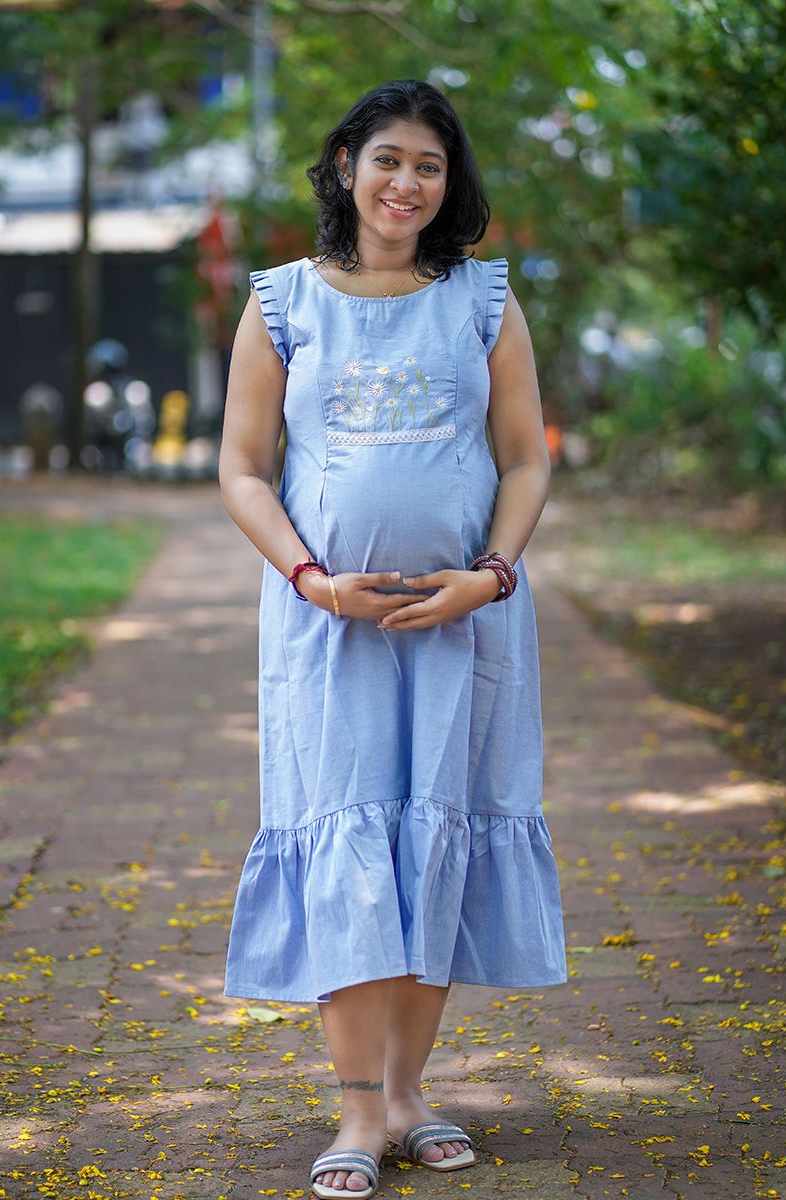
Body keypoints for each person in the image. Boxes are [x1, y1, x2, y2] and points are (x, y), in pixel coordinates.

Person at [218, 78, 568, 1200]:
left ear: (449, 184)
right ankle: (358, 1114)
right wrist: (316, 581)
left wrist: (492, 575)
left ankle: (412, 1095)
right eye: (388, 161)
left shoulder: (482, 301)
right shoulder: (281, 303)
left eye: (430, 165)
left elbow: (524, 456)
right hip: (328, 635)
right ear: (343, 167)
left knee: (438, 846)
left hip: (465, 631)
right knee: (347, 852)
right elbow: (240, 467)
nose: (407, 183)